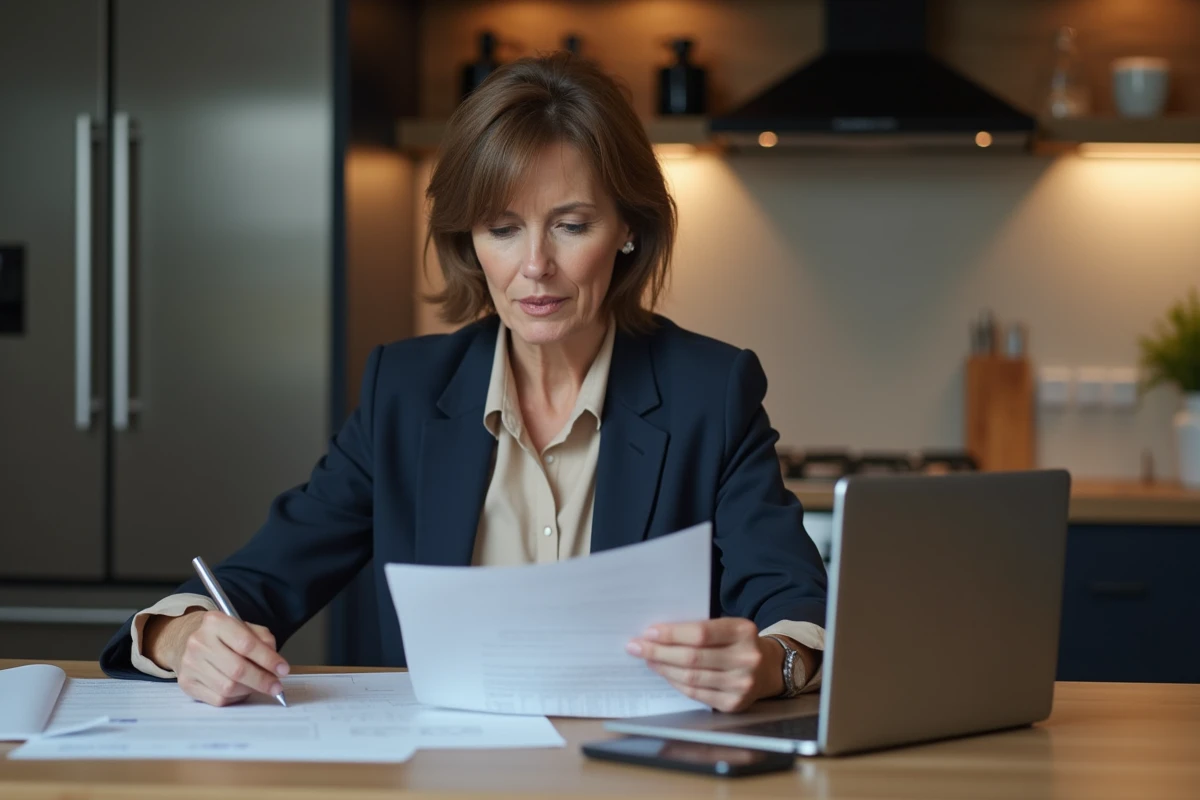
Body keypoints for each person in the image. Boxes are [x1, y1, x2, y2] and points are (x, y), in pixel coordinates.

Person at [100, 53, 827, 713]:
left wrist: (770, 662)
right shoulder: (405, 392)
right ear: (469, 242)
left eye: (571, 225)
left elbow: (794, 603)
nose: (534, 266)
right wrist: (182, 636)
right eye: (502, 228)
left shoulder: (712, 389)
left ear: (628, 229)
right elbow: (260, 579)